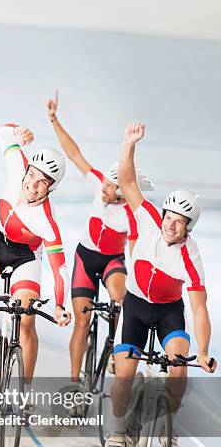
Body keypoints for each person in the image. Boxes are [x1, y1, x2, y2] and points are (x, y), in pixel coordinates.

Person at [105, 122, 217, 447]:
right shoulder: (151, 218)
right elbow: (127, 182)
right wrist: (128, 145)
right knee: (124, 374)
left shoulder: (189, 256)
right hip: (136, 306)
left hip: (169, 311)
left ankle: (169, 420)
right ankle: (119, 431)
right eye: (170, 216)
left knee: (179, 368)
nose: (170, 223)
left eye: (179, 221)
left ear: (188, 228)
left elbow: (198, 310)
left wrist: (202, 351)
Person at [0, 123, 71, 397]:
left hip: (25, 257)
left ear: (51, 188)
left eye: (42, 181)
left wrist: (59, 305)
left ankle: (24, 391)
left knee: (27, 320)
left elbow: (60, 269)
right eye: (33, 174)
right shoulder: (18, 165)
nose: (32, 183)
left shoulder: (47, 221)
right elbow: (3, 134)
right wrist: (19, 131)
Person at [46, 92, 153, 382]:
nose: (104, 189)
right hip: (86, 257)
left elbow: (133, 252)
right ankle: (73, 381)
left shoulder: (130, 214)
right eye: (104, 183)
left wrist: (138, 289)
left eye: (110, 187)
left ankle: (117, 348)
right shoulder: (98, 184)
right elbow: (74, 153)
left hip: (111, 261)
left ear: (122, 192)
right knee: (82, 322)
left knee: (121, 297)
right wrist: (54, 119)